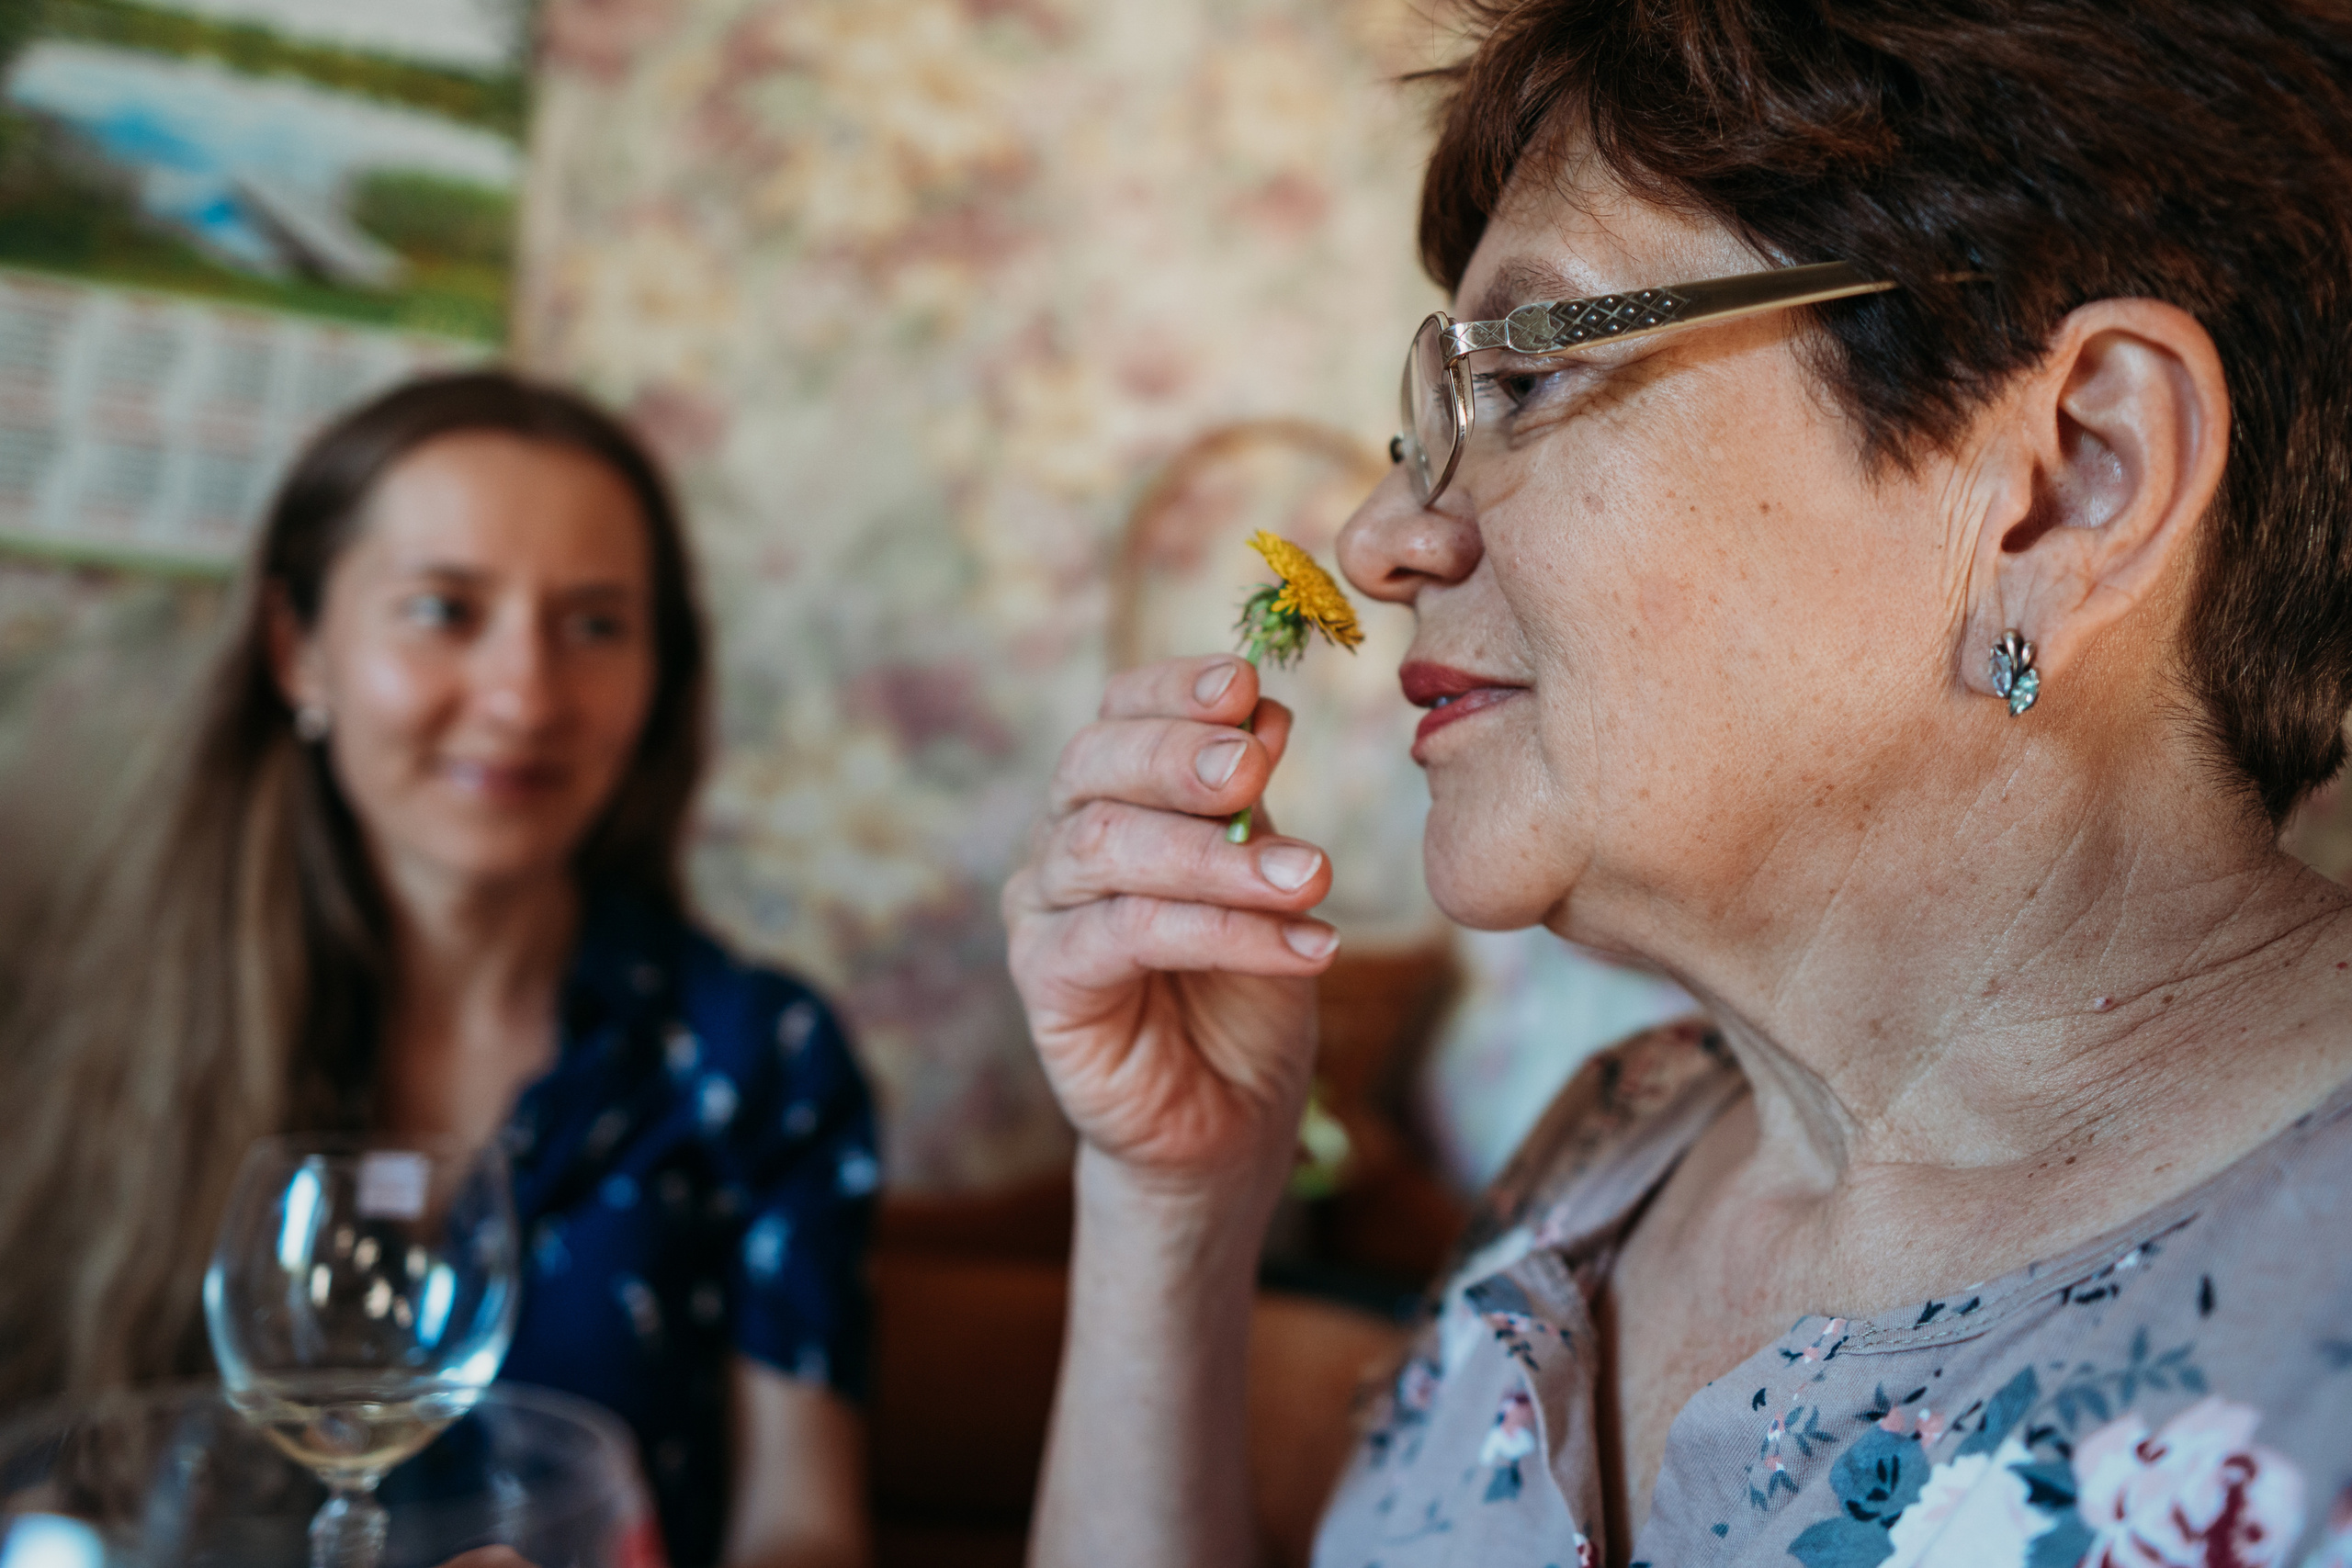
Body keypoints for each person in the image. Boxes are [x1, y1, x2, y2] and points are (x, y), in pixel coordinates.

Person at [1001, 1, 2352, 1563]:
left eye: (1518, 379)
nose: (1383, 541)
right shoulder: (1604, 1166)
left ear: (2069, 482)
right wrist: (1173, 1214)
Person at [0, 371, 876, 1568]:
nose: (523, 695)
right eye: (445, 610)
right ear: (296, 649)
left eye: (596, 625)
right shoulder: (90, 1027)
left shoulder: (761, 1056)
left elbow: (806, 1531)